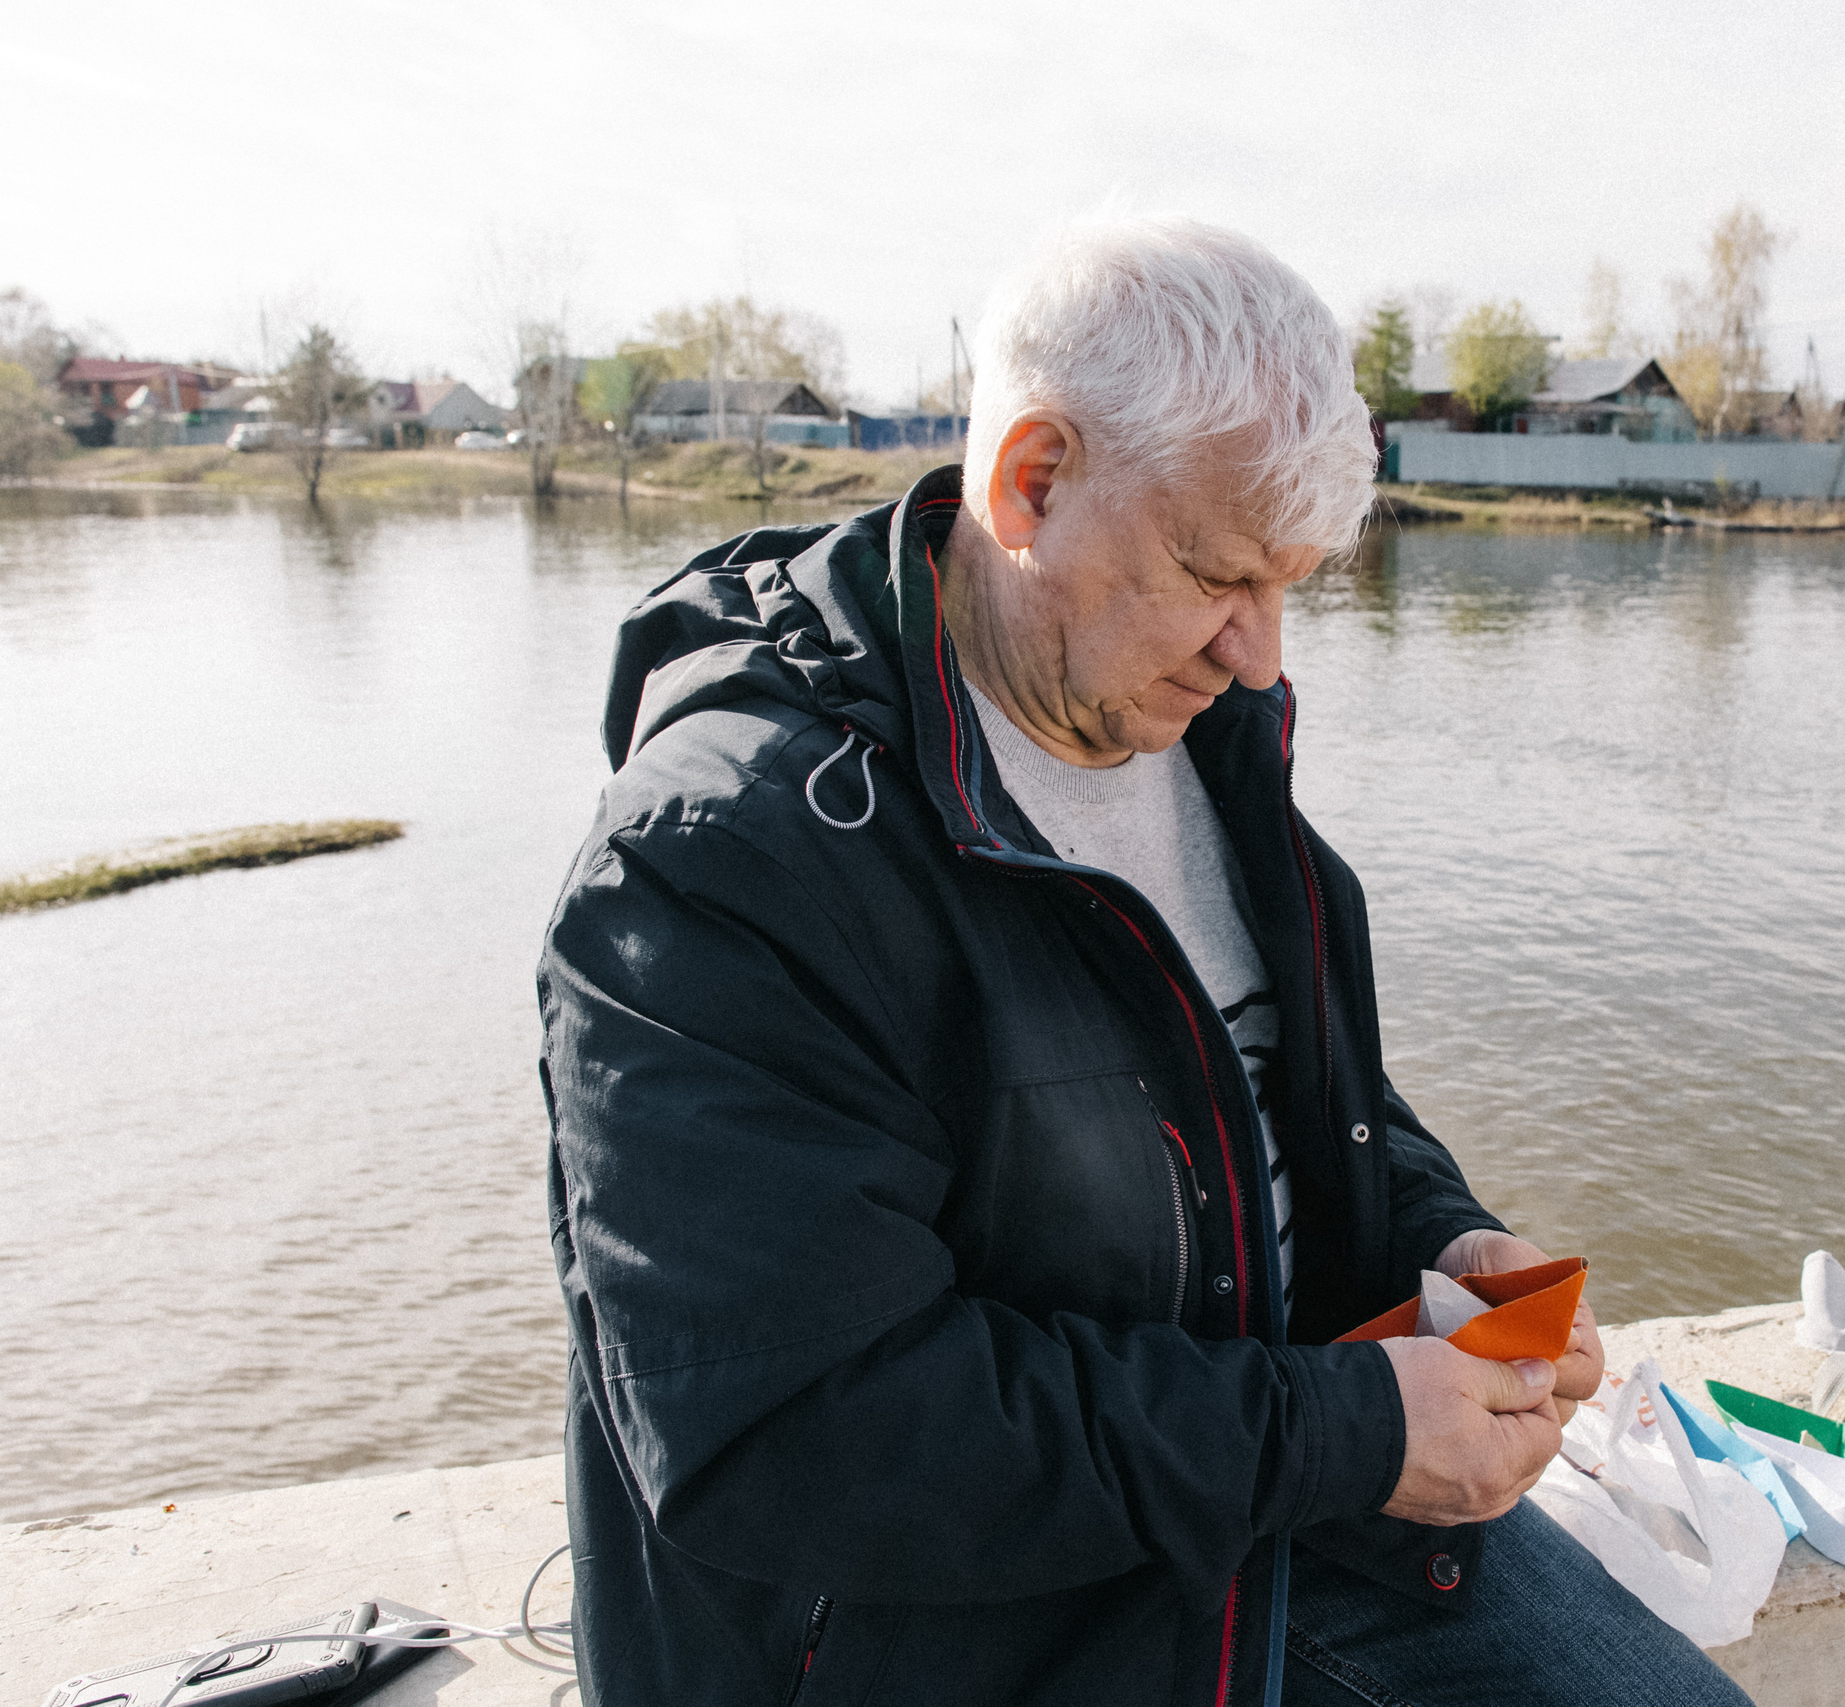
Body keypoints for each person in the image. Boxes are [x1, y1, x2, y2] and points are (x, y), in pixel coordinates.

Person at [539, 217, 1753, 1706]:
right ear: (1031, 479)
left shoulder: (1199, 729)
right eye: (1215, 573)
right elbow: (793, 1433)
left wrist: (1436, 1241)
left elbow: (1274, 1087)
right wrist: (1348, 1431)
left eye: (1292, 583)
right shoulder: (722, 859)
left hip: (1275, 1509)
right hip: (959, 1632)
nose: (1259, 651)